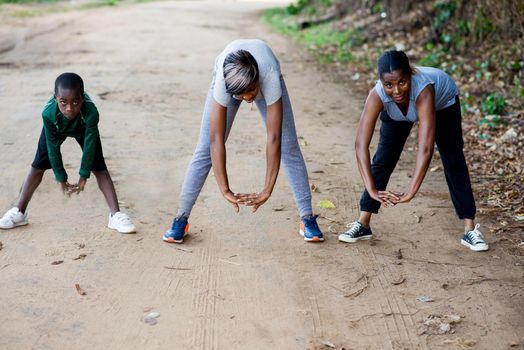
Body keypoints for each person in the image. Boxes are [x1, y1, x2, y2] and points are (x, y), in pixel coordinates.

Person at [163, 39, 324, 243]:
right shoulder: (223, 82)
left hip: (264, 71)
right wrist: (225, 189)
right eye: (241, 95)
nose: (248, 97)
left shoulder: (269, 75)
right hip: (230, 75)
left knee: (288, 145)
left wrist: (267, 189)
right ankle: (180, 219)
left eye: (251, 91)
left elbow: (274, 138)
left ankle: (307, 219)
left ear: (258, 82)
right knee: (204, 149)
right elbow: (216, 140)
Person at [338, 50, 488, 251]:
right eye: (389, 85)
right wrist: (372, 189)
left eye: (402, 82)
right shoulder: (378, 95)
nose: (397, 90)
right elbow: (360, 145)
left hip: (443, 105)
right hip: (397, 112)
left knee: (452, 158)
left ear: (410, 75)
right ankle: (363, 223)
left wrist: (411, 192)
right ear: (381, 82)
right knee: (383, 158)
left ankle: (470, 229)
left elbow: (425, 148)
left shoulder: (424, 89)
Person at [0, 72, 135, 233]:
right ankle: (19, 212)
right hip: (57, 128)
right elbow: (53, 149)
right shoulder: (48, 113)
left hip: (83, 129)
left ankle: (115, 216)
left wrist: (84, 174)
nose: (70, 108)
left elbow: (89, 147)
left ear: (82, 98)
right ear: (55, 98)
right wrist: (61, 178)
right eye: (63, 102)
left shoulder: (91, 113)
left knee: (99, 168)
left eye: (76, 101)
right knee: (38, 166)